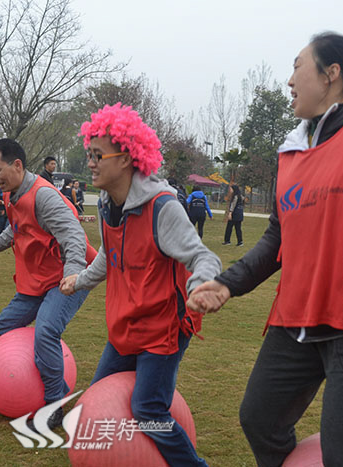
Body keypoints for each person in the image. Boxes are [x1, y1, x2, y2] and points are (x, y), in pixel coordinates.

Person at [190, 33, 343, 466]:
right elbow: (276, 239)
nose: (289, 81)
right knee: (259, 420)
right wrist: (227, 284)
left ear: (331, 75)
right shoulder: (291, 152)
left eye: (297, 67)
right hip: (296, 321)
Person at [60, 103, 222, 467]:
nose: (90, 163)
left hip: (163, 328)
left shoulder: (162, 207)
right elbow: (108, 255)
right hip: (124, 325)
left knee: (148, 409)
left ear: (127, 157)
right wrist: (80, 281)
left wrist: (202, 285)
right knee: (99, 395)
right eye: (89, 154)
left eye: (97, 155)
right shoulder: (106, 204)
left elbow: (203, 257)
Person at [0, 138, 95, 429]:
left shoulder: (44, 196)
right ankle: (5, 384)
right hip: (38, 279)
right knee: (7, 324)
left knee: (47, 331)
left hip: (67, 277)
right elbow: (14, 231)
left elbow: (74, 236)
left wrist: (74, 276)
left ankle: (55, 402)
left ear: (17, 165)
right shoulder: (12, 193)